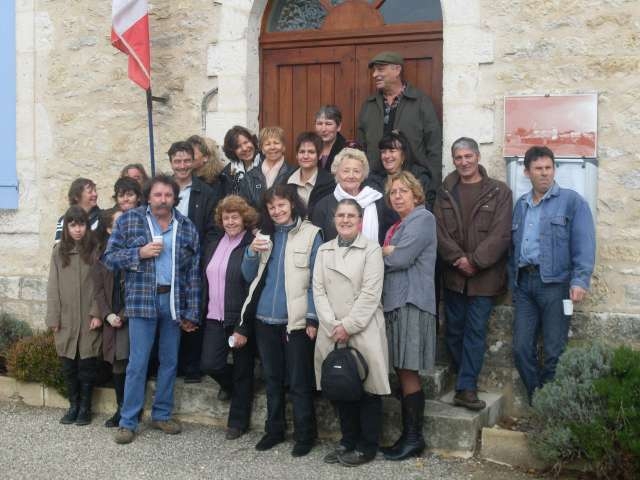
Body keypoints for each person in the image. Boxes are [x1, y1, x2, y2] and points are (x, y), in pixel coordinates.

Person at [103, 174, 201, 445]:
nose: (162, 200)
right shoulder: (129, 220)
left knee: (169, 361)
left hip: (172, 301)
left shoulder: (186, 226)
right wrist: (139, 253)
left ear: (174, 198)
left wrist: (191, 311)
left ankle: (161, 414)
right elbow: (109, 258)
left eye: (168, 195)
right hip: (142, 301)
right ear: (148, 196)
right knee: (138, 362)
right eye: (157, 195)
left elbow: (193, 272)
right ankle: (128, 421)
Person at [239, 184, 322, 457]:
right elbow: (248, 275)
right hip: (264, 319)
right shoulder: (264, 235)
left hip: (295, 321)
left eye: (281, 205)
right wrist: (250, 252)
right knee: (272, 379)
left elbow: (316, 282)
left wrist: (312, 317)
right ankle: (273, 431)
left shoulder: (312, 234)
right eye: (271, 207)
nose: (276, 211)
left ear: (293, 204)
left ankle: (305, 435)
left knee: (299, 382)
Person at [510, 146, 596, 402]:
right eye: (538, 169)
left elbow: (585, 243)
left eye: (549, 168)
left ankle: (545, 404)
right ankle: (540, 398)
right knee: (520, 348)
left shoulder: (572, 201)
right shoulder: (521, 205)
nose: (544, 173)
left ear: (554, 170)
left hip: (556, 285)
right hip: (525, 284)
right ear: (527, 172)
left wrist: (580, 279)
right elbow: (512, 247)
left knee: (554, 350)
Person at [433, 137, 513, 411]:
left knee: (475, 332)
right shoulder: (445, 191)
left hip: (485, 277)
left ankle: (466, 388)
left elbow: (501, 234)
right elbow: (439, 231)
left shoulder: (499, 191)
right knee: (454, 332)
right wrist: (458, 259)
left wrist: (475, 261)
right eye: (458, 158)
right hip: (455, 276)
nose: (464, 162)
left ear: (478, 157)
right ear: (453, 160)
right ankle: (463, 376)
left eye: (469, 156)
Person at [313, 199, 390, 467]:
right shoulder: (324, 250)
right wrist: (332, 324)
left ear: (360, 220)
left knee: (368, 388)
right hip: (332, 329)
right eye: (341, 215)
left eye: (351, 216)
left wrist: (348, 326)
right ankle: (347, 441)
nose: (345, 220)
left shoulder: (371, 250)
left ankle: (367, 446)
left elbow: (371, 293)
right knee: (341, 385)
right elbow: (318, 291)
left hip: (362, 327)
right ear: (334, 219)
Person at [380, 171, 437, 461]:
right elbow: (396, 255)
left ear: (416, 194)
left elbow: (401, 258)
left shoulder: (423, 219)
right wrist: (389, 250)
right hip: (397, 302)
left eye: (403, 191)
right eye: (393, 192)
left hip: (411, 302)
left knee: (407, 370)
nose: (398, 196)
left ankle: (415, 438)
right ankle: (408, 435)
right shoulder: (399, 225)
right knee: (402, 369)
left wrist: (385, 252)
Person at [200, 195, 258, 440]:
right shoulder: (214, 243)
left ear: (244, 219)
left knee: (244, 370)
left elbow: (255, 285)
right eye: (226, 217)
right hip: (214, 316)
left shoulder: (252, 243)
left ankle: (238, 422)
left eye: (235, 217)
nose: (231, 222)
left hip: (239, 318)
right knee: (210, 364)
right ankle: (231, 387)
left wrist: (243, 328)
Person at [167, 140, 220, 383]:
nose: (182, 165)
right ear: (171, 163)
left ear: (194, 162)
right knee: (170, 309)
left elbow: (212, 229)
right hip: (166, 258)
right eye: (177, 161)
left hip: (195, 259)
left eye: (186, 160)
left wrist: (203, 256)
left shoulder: (206, 193)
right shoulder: (163, 190)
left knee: (193, 308)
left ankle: (192, 366)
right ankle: (171, 363)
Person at [46, 206, 102, 426]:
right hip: (66, 317)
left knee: (87, 365)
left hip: (88, 316)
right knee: (69, 364)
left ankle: (86, 408)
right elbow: (52, 287)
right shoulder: (58, 252)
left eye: (81, 224)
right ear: (67, 227)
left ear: (87, 226)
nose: (77, 229)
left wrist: (97, 312)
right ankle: (73, 406)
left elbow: (101, 285)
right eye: (73, 224)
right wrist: (53, 317)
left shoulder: (95, 249)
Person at [357, 51, 442, 194]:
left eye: (380, 69)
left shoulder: (420, 102)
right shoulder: (368, 105)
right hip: (375, 183)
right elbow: (361, 145)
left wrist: (433, 183)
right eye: (374, 70)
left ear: (397, 70)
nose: (375, 75)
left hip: (414, 182)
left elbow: (434, 145)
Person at [90, 207, 127, 428]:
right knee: (114, 362)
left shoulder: (135, 251)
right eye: (117, 225)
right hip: (110, 317)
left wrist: (122, 315)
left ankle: (128, 410)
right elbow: (98, 291)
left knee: (125, 361)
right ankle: (121, 408)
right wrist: (107, 315)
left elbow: (137, 289)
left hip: (129, 316)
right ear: (108, 228)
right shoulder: (100, 255)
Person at [310, 147, 392, 245]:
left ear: (363, 175)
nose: (351, 176)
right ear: (337, 173)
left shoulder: (377, 201)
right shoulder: (323, 205)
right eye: (346, 171)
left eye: (356, 171)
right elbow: (317, 242)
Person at [367, 129, 434, 210]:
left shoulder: (419, 177)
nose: (387, 156)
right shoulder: (373, 179)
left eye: (392, 151)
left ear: (403, 155)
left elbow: (426, 208)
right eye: (383, 152)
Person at [239, 126, 294, 208]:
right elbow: (244, 208)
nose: (272, 147)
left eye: (276, 143)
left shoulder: (293, 173)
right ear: (262, 149)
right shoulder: (250, 177)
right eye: (267, 144)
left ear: (283, 147)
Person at [286, 131, 335, 213]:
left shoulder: (330, 182)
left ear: (319, 156)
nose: (305, 156)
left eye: (311, 152)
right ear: (297, 155)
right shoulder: (286, 181)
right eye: (302, 152)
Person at [220, 125, 261, 196]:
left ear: (252, 141)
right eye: (238, 146)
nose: (244, 148)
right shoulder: (227, 173)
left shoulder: (266, 163)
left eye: (246, 142)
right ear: (232, 151)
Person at [314, 105, 347, 172]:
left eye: (328, 124)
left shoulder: (348, 149)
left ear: (338, 127)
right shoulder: (311, 146)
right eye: (319, 124)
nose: (323, 129)